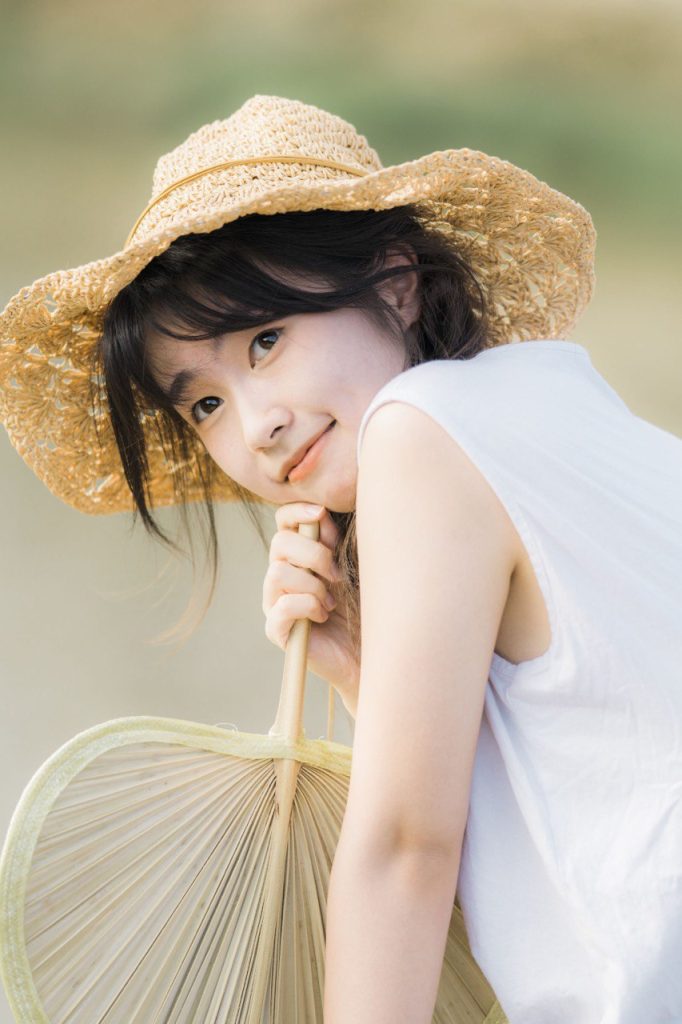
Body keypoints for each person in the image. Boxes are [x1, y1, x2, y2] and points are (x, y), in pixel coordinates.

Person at [1, 94, 680, 1023]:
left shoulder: (419, 427)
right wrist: (366, 668)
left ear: (395, 283)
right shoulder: (555, 404)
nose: (257, 426)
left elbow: (406, 850)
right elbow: (568, 820)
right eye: (205, 405)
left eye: (265, 340)